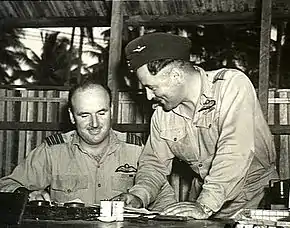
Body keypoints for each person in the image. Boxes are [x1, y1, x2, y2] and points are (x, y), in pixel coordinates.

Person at [114, 32, 279, 219]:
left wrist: (205, 205)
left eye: (151, 87)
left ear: (176, 75)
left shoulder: (231, 85)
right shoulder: (162, 114)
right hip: (202, 198)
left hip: (256, 199)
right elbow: (154, 164)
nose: (149, 96)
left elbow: (235, 149)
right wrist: (139, 195)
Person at [0, 78, 176, 210]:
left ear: (111, 111)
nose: (94, 124)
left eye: (101, 113)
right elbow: (7, 185)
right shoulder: (53, 151)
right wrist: (27, 194)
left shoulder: (137, 150)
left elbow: (165, 200)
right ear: (71, 116)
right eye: (84, 115)